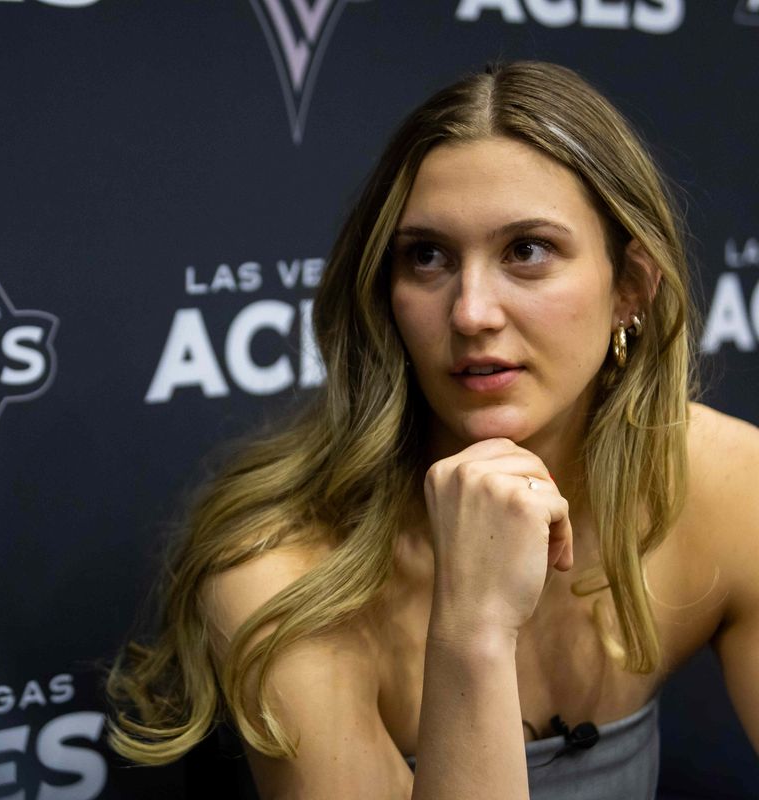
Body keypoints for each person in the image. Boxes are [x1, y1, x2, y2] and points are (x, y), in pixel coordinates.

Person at [105, 61, 759, 798]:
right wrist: (472, 632)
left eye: (527, 251)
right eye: (428, 258)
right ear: (386, 295)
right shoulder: (283, 572)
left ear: (630, 289)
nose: (472, 311)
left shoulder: (727, 481)